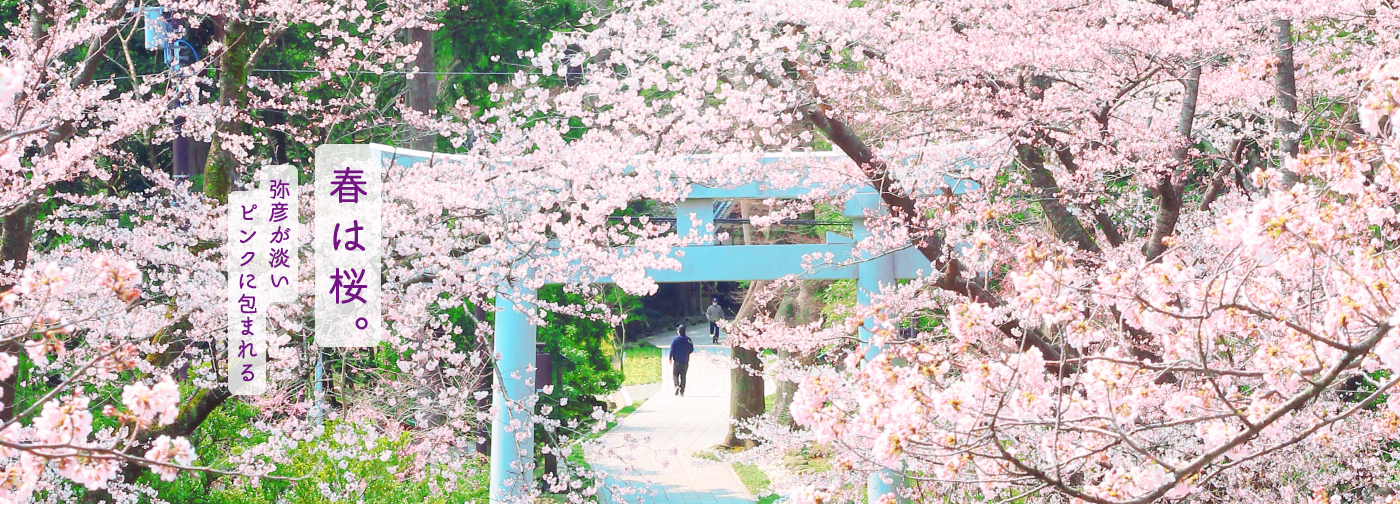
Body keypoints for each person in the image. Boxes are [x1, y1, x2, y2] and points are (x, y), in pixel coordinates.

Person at [669, 325, 695, 396]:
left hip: (677, 361)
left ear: (679, 331)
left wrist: (670, 358)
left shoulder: (675, 339)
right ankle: (682, 390)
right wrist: (686, 353)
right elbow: (691, 349)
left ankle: (676, 386)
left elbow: (672, 349)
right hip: (685, 361)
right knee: (683, 376)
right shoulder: (688, 339)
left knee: (675, 374)